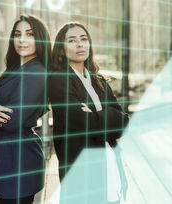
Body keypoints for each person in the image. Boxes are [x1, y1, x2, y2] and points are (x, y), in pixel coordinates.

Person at [48, 22, 129, 204]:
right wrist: (107, 116)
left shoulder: (98, 80)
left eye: (84, 39)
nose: (80, 44)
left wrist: (95, 115)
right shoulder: (58, 81)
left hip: (109, 166)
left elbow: (123, 122)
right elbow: (84, 124)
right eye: (72, 40)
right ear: (62, 48)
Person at [0, 15, 51, 204]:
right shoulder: (17, 68)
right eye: (17, 34)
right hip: (9, 155)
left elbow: (12, 119)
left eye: (30, 34)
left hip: (19, 158)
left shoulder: (37, 72)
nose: (22, 39)